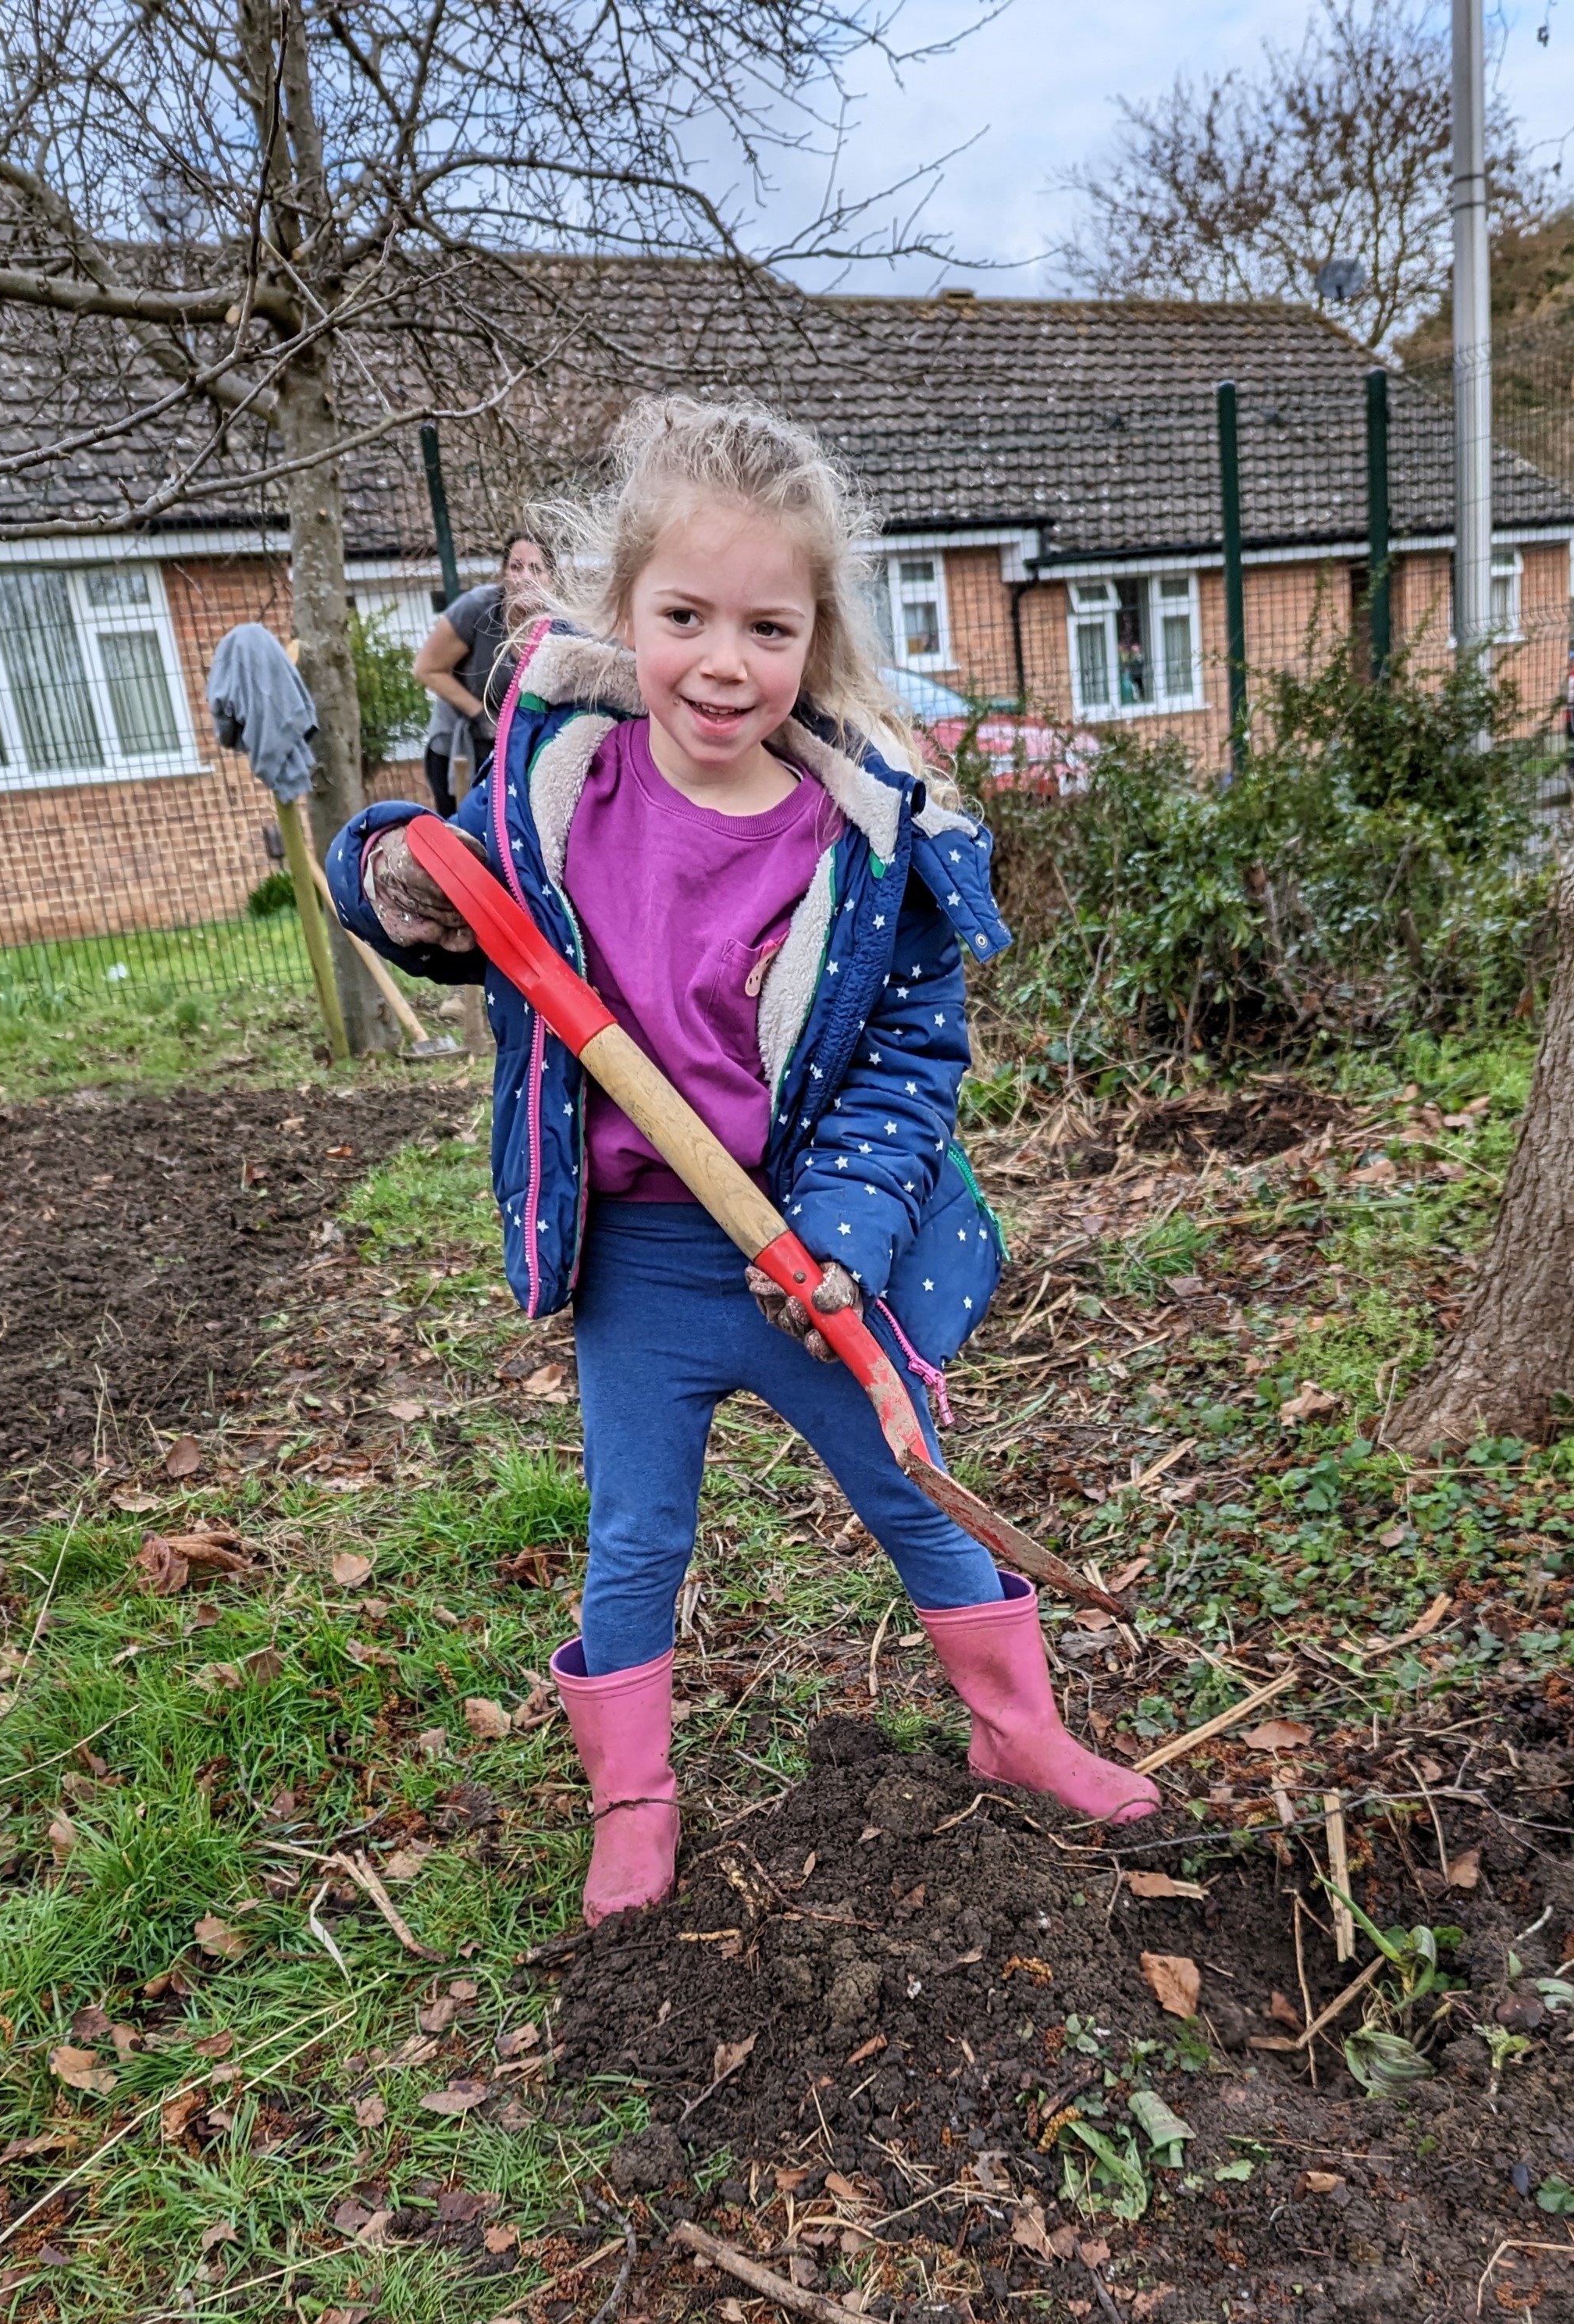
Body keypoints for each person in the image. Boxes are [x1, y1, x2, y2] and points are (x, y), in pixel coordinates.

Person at [331, 398, 1157, 1927]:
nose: (724, 659)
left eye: (766, 626)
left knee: (913, 1493)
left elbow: (911, 1065)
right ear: (623, 614)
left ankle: (1019, 1728)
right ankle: (632, 1804)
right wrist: (392, 873)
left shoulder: (857, 843)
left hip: (799, 1261)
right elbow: (442, 897)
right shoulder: (557, 795)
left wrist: (838, 1233)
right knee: (635, 1534)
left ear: (816, 637)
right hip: (639, 1272)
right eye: (685, 616)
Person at [413, 533, 551, 813]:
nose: (525, 577)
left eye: (536, 569)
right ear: (503, 573)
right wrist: (481, 715)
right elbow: (427, 668)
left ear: (552, 578)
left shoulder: (558, 624)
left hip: (513, 746)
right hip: (458, 747)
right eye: (516, 567)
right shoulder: (478, 609)